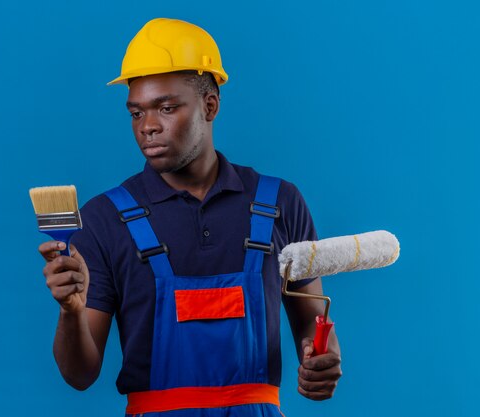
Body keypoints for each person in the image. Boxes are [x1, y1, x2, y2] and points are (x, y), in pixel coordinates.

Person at [38, 18, 342, 416]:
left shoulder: (280, 203)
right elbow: (79, 375)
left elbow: (313, 324)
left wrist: (322, 360)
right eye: (135, 113)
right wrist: (71, 311)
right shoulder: (104, 218)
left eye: (166, 108)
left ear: (210, 104)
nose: (147, 126)